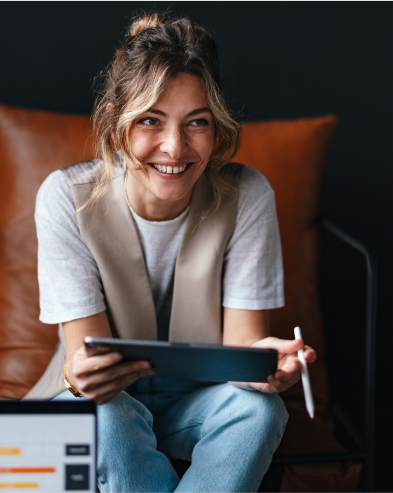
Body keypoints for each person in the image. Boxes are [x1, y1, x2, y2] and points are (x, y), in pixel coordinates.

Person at [33, 13, 316, 493]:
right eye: (150, 120)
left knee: (259, 409)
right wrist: (78, 377)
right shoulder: (66, 196)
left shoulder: (247, 195)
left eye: (197, 123)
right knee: (107, 415)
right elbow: (89, 363)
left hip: (200, 405)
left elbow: (242, 347)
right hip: (104, 403)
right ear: (116, 124)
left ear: (218, 126)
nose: (174, 147)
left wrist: (265, 364)